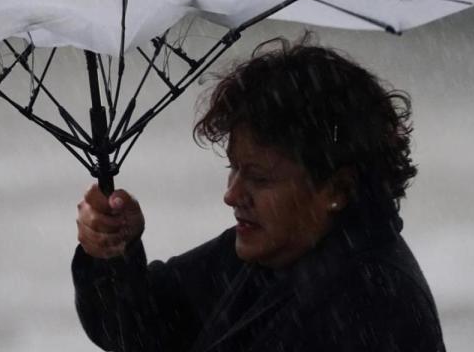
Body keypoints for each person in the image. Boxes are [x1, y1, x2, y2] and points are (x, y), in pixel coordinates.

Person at [72, 36, 445, 352]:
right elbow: (133, 328)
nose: (232, 195)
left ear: (337, 189)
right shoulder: (271, 255)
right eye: (232, 168)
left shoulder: (374, 305)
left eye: (259, 178)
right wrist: (111, 250)